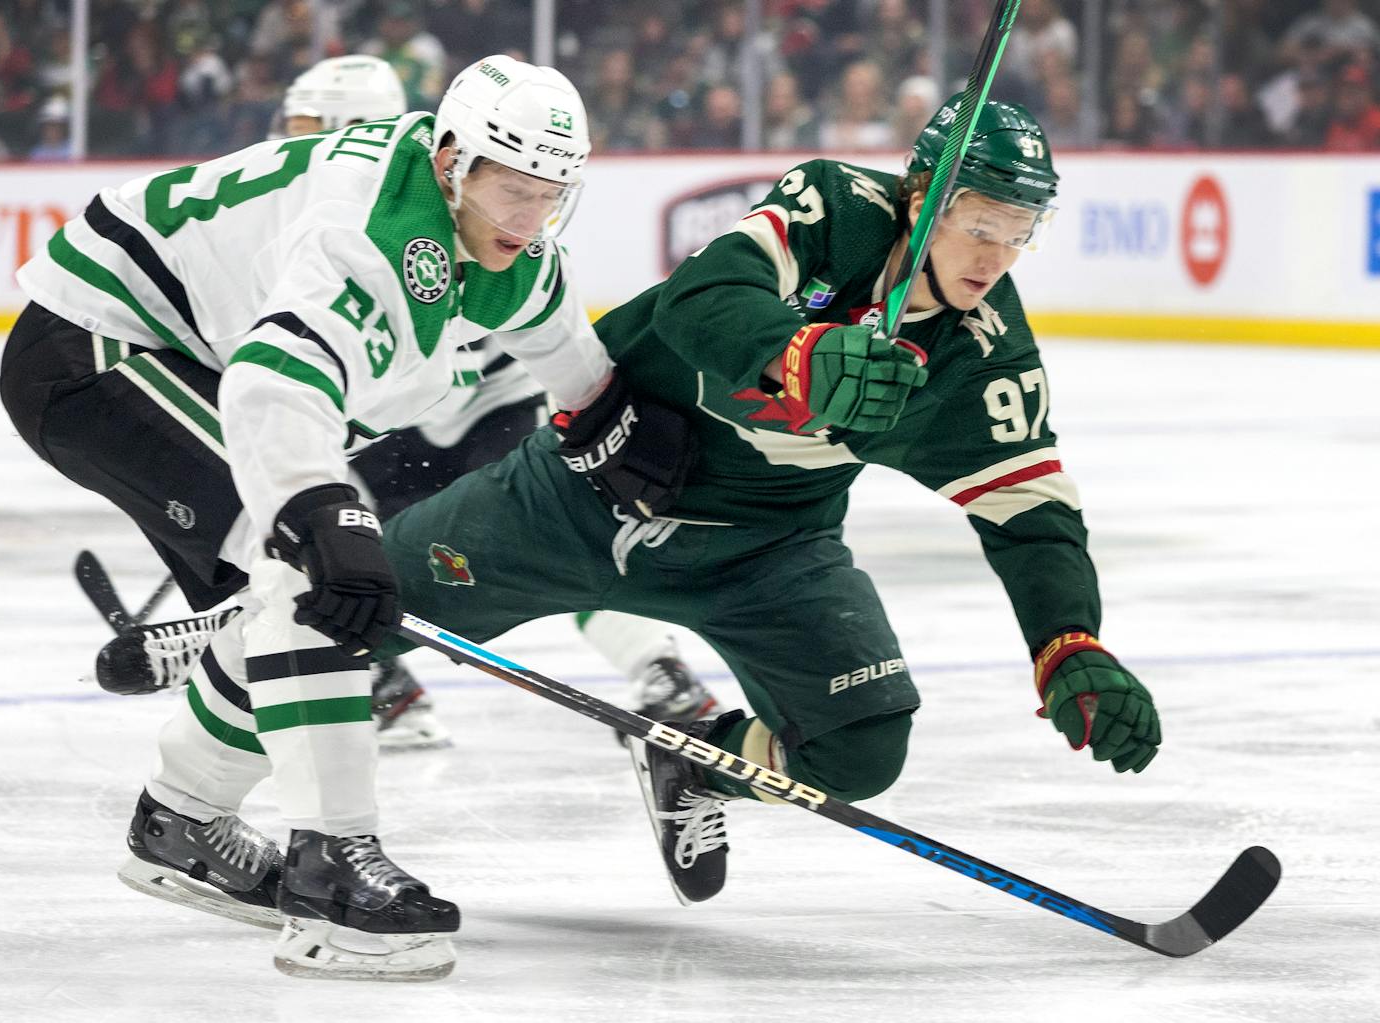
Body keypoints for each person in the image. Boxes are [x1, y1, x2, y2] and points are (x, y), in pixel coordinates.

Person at [364, 94, 1163, 904]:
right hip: (575, 498)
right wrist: (798, 354)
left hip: (766, 551)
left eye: (1020, 232)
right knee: (349, 608)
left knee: (860, 748)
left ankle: (696, 758)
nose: (996, 257)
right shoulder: (838, 213)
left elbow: (1031, 511)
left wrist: (1068, 639)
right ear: (922, 200)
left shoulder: (983, 353)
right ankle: (252, 803)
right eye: (982, 225)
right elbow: (699, 298)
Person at [0, 55, 669, 981]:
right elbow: (276, 379)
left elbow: (559, 342)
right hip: (98, 350)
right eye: (513, 190)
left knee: (288, 595)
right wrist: (322, 513)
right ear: (451, 163)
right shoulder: (374, 231)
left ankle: (183, 823)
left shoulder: (496, 235)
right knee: (310, 573)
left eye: (551, 193)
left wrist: (610, 426)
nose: (531, 216)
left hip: (182, 351)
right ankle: (329, 868)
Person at [99, 54, 717, 752]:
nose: (292, 136)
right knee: (348, 549)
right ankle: (358, 667)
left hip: (479, 408)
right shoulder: (358, 203)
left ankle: (654, 668)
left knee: (493, 547)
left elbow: (520, 329)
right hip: (404, 416)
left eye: (307, 125)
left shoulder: (415, 208)